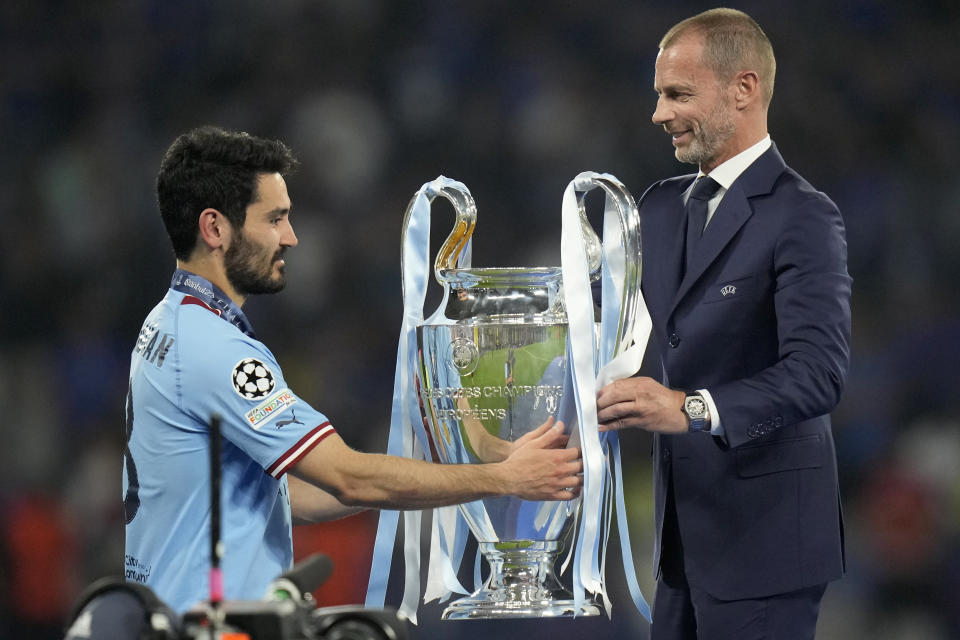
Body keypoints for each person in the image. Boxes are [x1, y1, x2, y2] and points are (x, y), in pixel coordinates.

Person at [122, 126, 582, 614]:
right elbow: (349, 478)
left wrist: (449, 459)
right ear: (214, 228)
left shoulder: (168, 322)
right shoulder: (214, 348)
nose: (291, 237)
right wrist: (506, 478)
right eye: (275, 219)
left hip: (177, 613)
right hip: (209, 624)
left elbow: (291, 497)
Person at [595, 9, 851, 640]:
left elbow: (819, 374)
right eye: (659, 94)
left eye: (677, 94)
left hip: (766, 545)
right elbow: (625, 343)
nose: (659, 113)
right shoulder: (656, 208)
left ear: (744, 89)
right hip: (680, 546)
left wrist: (693, 408)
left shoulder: (803, 216)